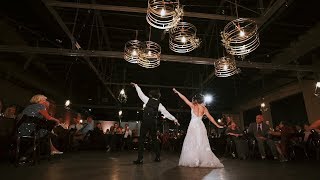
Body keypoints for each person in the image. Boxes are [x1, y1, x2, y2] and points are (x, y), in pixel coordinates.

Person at [173, 88, 224, 168]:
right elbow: (210, 117)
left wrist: (177, 92)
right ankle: (200, 160)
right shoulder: (204, 108)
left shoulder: (193, 106)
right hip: (200, 125)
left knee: (192, 142)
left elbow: (184, 98)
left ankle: (195, 160)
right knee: (201, 142)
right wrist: (217, 125)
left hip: (193, 125)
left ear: (196, 100)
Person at [131, 82, 179, 164]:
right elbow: (166, 113)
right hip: (153, 122)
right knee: (154, 140)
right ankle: (157, 157)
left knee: (142, 140)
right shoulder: (159, 105)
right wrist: (174, 119)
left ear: (151, 95)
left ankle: (140, 159)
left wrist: (136, 86)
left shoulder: (147, 100)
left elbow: (140, 94)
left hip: (145, 122)